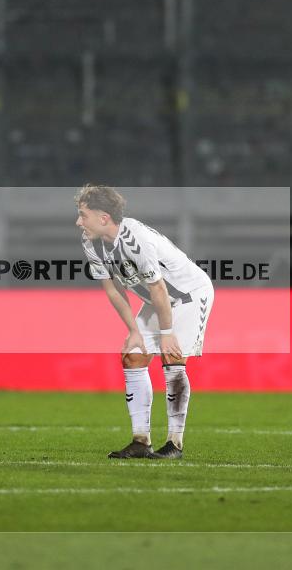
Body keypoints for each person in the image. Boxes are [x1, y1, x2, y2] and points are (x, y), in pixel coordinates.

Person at [75, 185, 214, 459]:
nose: (79, 221)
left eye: (83, 215)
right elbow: (113, 288)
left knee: (172, 357)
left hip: (188, 296)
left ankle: (175, 444)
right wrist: (134, 331)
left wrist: (167, 332)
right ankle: (141, 440)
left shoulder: (134, 238)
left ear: (103, 218)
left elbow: (159, 288)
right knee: (133, 357)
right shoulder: (91, 242)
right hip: (158, 301)